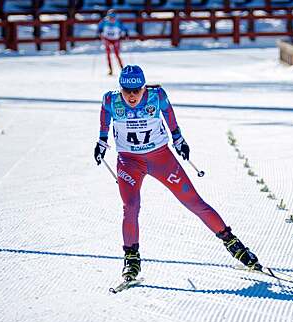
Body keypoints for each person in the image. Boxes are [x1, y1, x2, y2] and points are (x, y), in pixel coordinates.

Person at [94, 65, 263, 281]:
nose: (132, 96)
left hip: (160, 158)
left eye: (137, 90)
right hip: (129, 162)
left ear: (144, 87)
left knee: (194, 202)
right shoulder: (111, 100)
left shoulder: (157, 96)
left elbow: (169, 115)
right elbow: (104, 120)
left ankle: (233, 243)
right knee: (131, 207)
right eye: (127, 90)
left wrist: (179, 139)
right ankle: (131, 259)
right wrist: (101, 141)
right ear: (120, 88)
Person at [97, 9, 128, 76]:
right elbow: (99, 27)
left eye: (113, 17)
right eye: (110, 17)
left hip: (116, 39)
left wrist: (126, 33)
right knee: (108, 54)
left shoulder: (118, 21)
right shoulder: (104, 21)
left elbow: (124, 28)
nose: (112, 19)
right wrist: (99, 32)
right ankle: (110, 69)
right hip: (107, 39)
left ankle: (122, 69)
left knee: (117, 54)